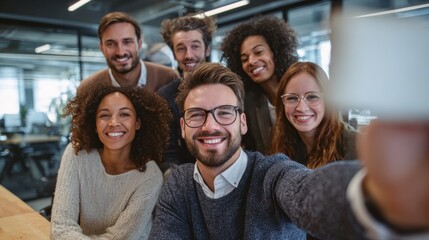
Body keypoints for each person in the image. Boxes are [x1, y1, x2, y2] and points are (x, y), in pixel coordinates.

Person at [148, 62, 429, 239]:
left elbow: (308, 193)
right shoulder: (179, 185)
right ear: (183, 127)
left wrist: (376, 194)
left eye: (224, 112)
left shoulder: (272, 174)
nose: (211, 125)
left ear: (243, 122)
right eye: (197, 115)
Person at [51, 84, 172, 239]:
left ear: (138, 123)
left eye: (124, 114)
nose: (114, 122)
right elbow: (61, 227)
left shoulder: (151, 176)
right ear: (94, 124)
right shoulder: (76, 155)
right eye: (104, 115)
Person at [221, 15, 298, 154]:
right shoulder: (250, 104)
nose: (251, 61)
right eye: (244, 59)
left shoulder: (300, 92)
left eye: (258, 52)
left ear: (275, 53)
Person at [156, 13, 217, 172]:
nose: (188, 55)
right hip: (185, 178)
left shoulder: (228, 90)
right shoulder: (165, 97)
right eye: (181, 48)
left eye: (195, 46)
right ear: (174, 54)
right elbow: (168, 156)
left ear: (207, 49)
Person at [271, 62, 357, 168]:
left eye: (312, 97)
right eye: (292, 98)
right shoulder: (283, 143)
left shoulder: (356, 147)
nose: (301, 108)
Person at [77, 12, 178, 94]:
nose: (120, 52)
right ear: (102, 48)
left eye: (127, 42)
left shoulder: (168, 78)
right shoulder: (87, 89)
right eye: (111, 44)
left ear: (139, 45)